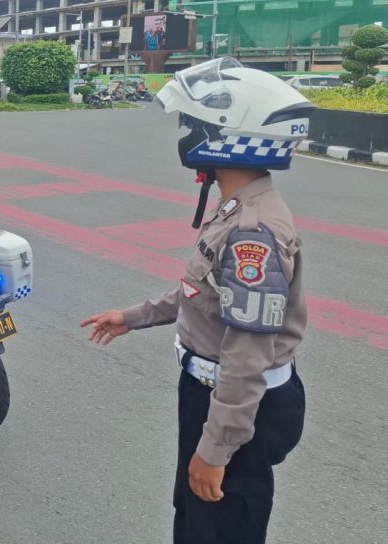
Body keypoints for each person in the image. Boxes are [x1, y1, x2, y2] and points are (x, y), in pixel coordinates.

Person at [81, 57, 314, 544]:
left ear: (230, 133)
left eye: (196, 124)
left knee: (220, 526)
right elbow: (203, 294)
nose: (187, 134)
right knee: (194, 519)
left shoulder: (253, 231)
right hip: (214, 395)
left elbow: (247, 354)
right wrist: (134, 317)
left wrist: (216, 449)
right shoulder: (236, 207)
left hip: (234, 405)